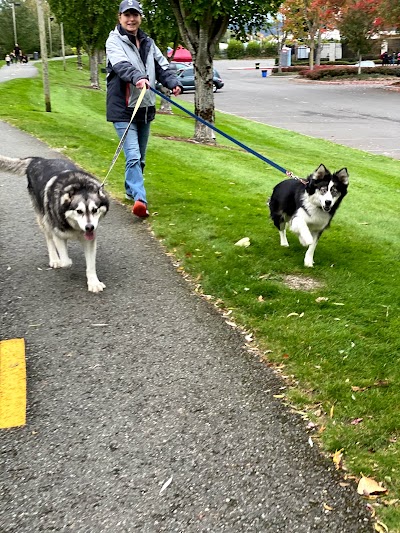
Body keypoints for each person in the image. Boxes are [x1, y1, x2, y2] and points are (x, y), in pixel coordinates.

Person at [105, 0, 182, 218]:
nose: (131, 19)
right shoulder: (113, 41)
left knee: (141, 157)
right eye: (127, 15)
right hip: (123, 108)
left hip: (145, 107)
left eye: (135, 15)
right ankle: (140, 200)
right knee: (133, 156)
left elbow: (162, 65)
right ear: (119, 17)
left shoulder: (148, 42)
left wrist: (172, 82)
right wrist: (137, 77)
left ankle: (131, 190)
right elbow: (121, 66)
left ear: (140, 17)